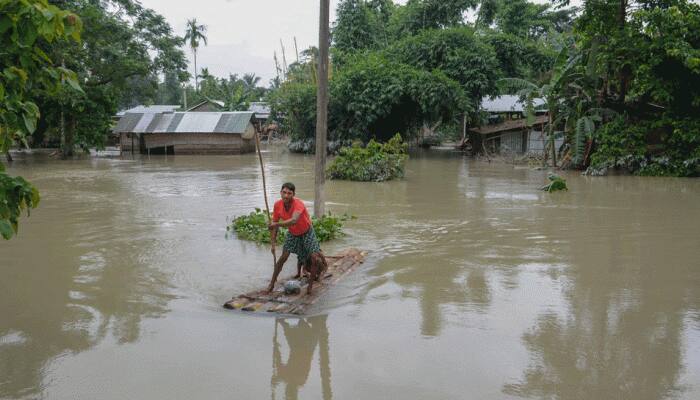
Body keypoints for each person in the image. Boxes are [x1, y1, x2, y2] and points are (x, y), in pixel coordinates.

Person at [267, 182, 325, 294]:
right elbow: (274, 225)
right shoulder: (277, 205)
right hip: (293, 233)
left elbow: (293, 220)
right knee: (283, 258)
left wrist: (276, 225)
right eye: (284, 193)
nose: (286, 196)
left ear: (293, 195)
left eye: (289, 193)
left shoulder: (298, 204)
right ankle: (271, 284)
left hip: (307, 232)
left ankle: (310, 287)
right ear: (280, 193)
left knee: (314, 258)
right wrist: (273, 244)